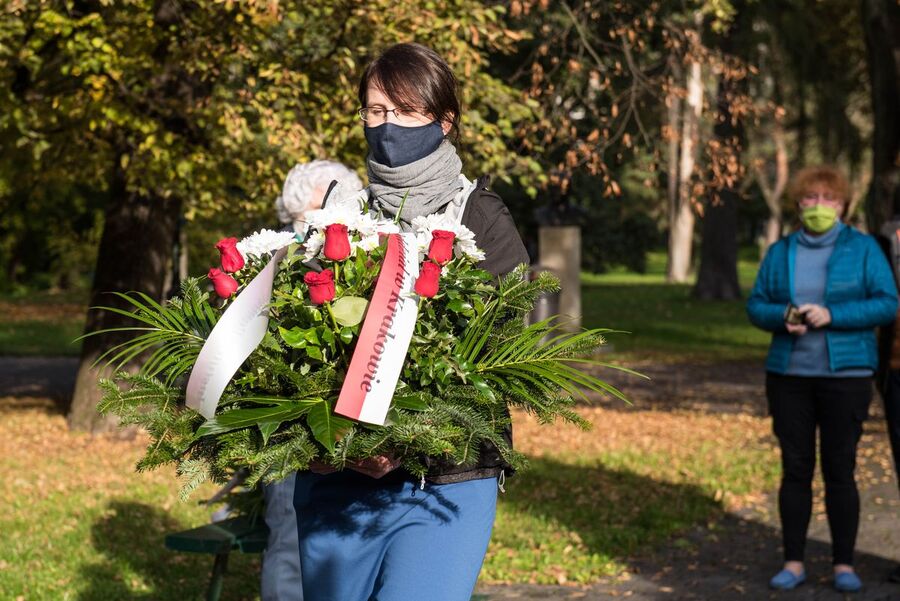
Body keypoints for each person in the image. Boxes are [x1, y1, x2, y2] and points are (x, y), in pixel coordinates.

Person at [292, 43, 529, 601]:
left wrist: (406, 440)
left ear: (444, 122)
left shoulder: (481, 217)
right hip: (338, 477)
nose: (387, 125)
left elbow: (499, 348)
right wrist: (339, 439)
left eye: (405, 111)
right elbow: (296, 336)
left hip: (445, 480)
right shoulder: (341, 216)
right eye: (376, 111)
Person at [747, 165, 898, 593]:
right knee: (795, 469)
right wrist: (781, 316)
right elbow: (756, 304)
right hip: (789, 376)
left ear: (843, 205)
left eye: (828, 199)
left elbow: (887, 303)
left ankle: (843, 564)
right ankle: (793, 561)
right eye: (810, 199)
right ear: (798, 205)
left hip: (846, 376)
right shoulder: (781, 252)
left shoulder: (864, 249)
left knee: (840, 470)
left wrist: (834, 315)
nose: (819, 207)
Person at [262, 160, 363, 601]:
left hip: (359, 428)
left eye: (331, 219)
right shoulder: (272, 270)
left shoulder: (372, 261)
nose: (321, 231)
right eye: (311, 220)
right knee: (290, 539)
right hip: (291, 427)